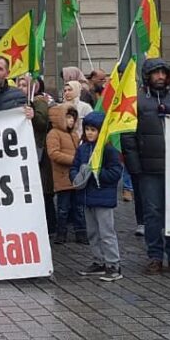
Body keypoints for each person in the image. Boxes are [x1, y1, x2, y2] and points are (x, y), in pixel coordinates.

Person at [121, 58, 170, 274]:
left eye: (164, 73)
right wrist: (134, 165)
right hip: (148, 168)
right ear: (148, 76)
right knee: (152, 213)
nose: (161, 77)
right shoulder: (137, 101)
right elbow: (128, 135)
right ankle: (154, 256)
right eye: (156, 73)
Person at [70, 112, 124, 282]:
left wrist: (97, 173)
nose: (90, 133)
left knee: (106, 232)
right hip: (87, 196)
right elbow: (75, 166)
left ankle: (113, 264)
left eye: (93, 130)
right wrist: (76, 176)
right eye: (87, 129)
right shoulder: (83, 149)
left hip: (103, 197)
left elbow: (116, 172)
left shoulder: (109, 150)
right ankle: (98, 261)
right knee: (92, 232)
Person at [48, 105, 85, 244]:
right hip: (62, 176)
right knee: (63, 208)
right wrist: (74, 160)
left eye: (73, 118)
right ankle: (61, 234)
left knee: (78, 208)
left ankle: (81, 233)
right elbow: (54, 153)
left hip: (75, 177)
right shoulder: (54, 134)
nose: (71, 121)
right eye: (68, 117)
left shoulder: (74, 134)